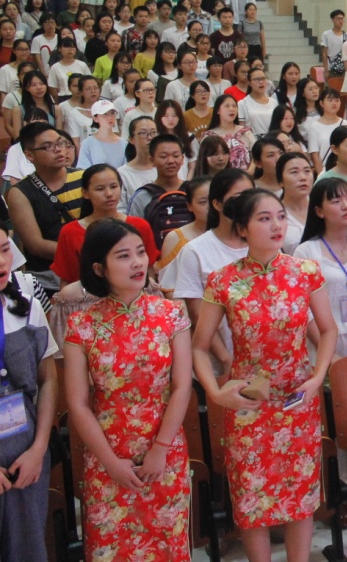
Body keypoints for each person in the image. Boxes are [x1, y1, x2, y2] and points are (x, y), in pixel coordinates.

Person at [193, 189, 337, 562]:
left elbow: (328, 331)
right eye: (264, 218)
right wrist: (215, 393)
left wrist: (317, 376)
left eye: (280, 216)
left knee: (300, 495)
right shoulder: (222, 280)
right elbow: (198, 347)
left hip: (298, 399)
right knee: (251, 498)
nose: (276, 225)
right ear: (242, 228)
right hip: (247, 404)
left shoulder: (305, 271)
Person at [63, 220, 192, 562]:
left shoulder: (171, 314)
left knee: (168, 546)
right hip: (107, 455)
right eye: (123, 256)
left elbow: (181, 386)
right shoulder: (82, 325)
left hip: (164, 451)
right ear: (98, 268)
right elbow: (77, 403)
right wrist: (109, 462)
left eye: (140, 253)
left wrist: (160, 449)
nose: (137, 263)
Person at [0, 226, 58, 562]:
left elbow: (48, 380)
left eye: (5, 249)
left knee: (27, 546)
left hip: (25, 448)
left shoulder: (26, 306)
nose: (2, 261)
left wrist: (39, 448)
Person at [163, 169, 254, 374]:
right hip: (219, 362)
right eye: (239, 197)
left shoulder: (261, 242)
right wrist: (225, 359)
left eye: (251, 196)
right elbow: (196, 314)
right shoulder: (195, 251)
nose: (247, 204)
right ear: (217, 204)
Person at [295, 178, 347, 360]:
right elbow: (303, 309)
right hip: (322, 348)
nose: (346, 206)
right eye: (336, 201)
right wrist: (330, 355)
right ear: (319, 211)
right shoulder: (306, 252)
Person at [50, 163, 159, 286]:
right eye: (100, 189)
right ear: (85, 193)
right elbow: (66, 279)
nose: (109, 194)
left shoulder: (139, 226)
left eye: (114, 186)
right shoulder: (70, 232)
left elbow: (149, 270)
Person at [8, 123, 84, 293]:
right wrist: (83, 252)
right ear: (29, 155)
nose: (58, 150)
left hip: (90, 269)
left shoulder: (84, 178)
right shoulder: (20, 192)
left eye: (60, 143)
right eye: (48, 146)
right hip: (49, 277)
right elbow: (36, 245)